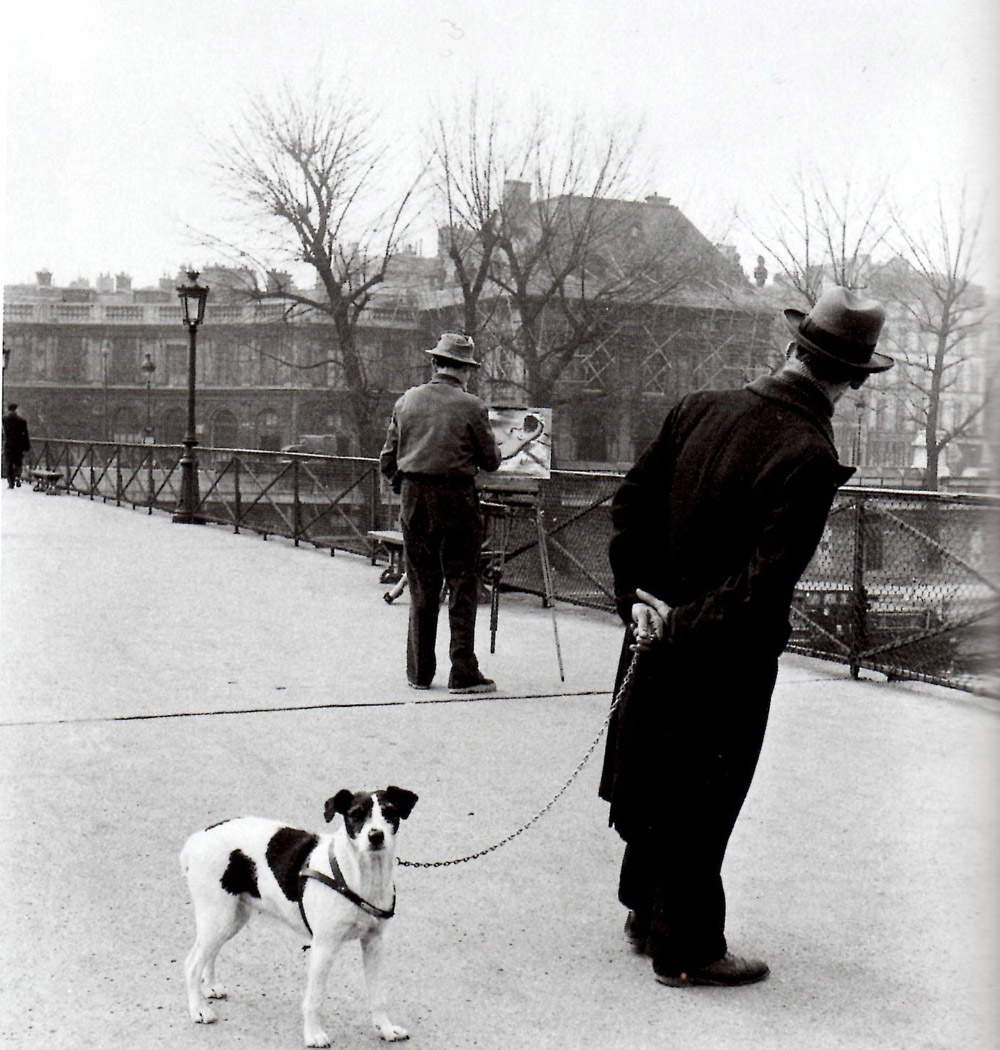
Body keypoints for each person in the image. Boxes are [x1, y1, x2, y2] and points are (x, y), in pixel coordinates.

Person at [599, 286, 893, 988]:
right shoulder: (808, 452)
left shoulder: (700, 406)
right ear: (850, 380)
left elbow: (630, 505)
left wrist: (636, 602)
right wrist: (683, 625)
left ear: (793, 348)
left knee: (651, 768)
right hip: (723, 655)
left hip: (651, 633)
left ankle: (646, 910)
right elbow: (765, 580)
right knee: (706, 794)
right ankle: (689, 949)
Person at [379, 333, 501, 693]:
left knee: (421, 584)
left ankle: (419, 672)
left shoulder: (406, 401)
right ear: (466, 371)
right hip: (456, 500)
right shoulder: (472, 406)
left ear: (435, 364)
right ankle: (463, 672)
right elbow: (490, 461)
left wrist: (406, 486)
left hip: (415, 500)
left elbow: (387, 459)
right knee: (462, 584)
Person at [2, 403, 31, 489]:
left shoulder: (5, 420)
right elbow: (25, 434)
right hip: (18, 445)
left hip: (9, 445)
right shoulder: (22, 421)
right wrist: (27, 446)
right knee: (18, 463)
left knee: (9, 464)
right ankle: (18, 476)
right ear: (16, 410)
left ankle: (11, 482)